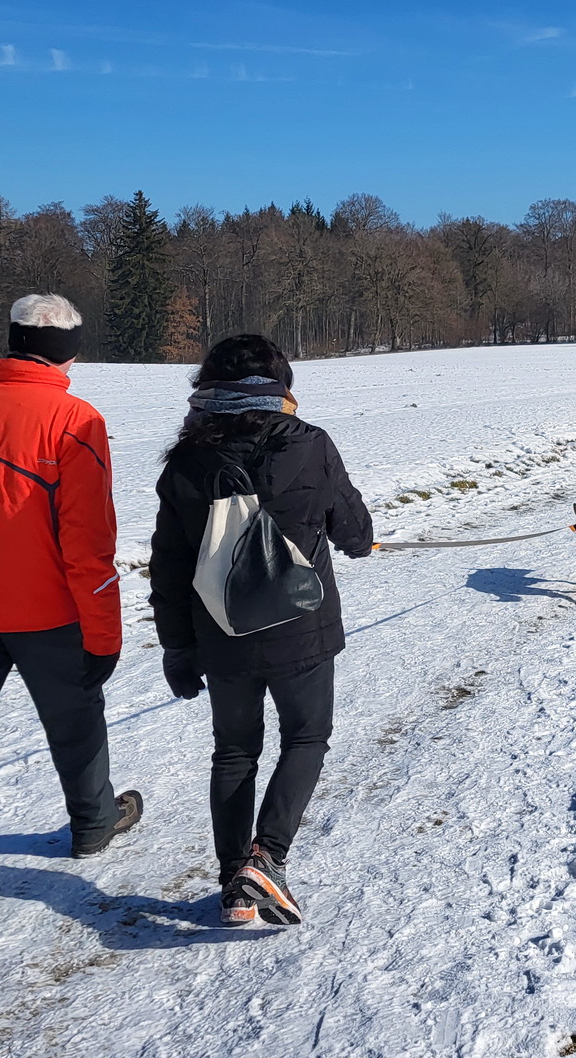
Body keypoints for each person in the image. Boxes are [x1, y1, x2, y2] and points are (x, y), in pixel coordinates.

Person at [0, 294, 141, 938]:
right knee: (75, 717)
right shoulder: (76, 419)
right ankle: (93, 823)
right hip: (51, 615)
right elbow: (88, 544)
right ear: (70, 351)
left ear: (11, 341)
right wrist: (105, 634)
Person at [150, 334, 373, 927]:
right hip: (302, 626)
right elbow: (353, 530)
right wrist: (355, 541)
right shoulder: (310, 445)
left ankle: (233, 886)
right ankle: (266, 858)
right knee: (306, 738)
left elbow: (168, 564)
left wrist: (177, 646)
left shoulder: (185, 461)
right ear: (281, 386)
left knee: (234, 751)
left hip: (222, 632)